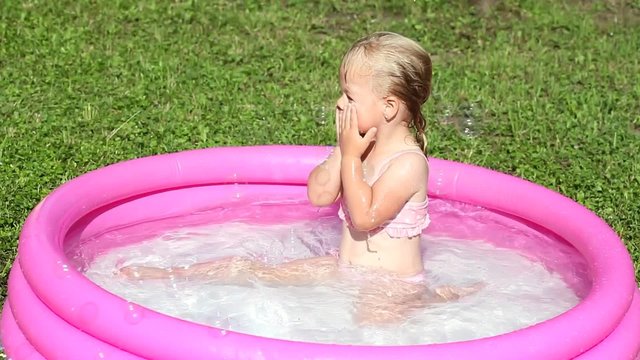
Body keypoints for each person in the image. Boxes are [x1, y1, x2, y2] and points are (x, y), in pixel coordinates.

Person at [120, 32, 480, 324]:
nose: (340, 103)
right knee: (251, 270)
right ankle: (171, 275)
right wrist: (344, 152)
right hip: (346, 268)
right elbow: (320, 195)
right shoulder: (358, 147)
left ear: (389, 107)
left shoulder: (408, 164)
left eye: (350, 96)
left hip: (390, 289)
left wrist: (351, 156)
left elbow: (365, 216)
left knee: (366, 332)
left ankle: (432, 298)